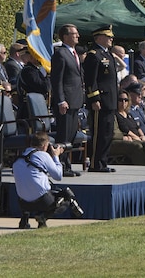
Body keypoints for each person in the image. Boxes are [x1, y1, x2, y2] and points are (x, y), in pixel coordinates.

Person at [12, 132, 84, 229]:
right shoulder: (43, 155)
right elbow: (58, 176)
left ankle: (24, 219)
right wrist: (56, 156)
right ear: (46, 145)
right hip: (42, 201)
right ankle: (43, 217)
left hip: (23, 203)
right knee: (66, 195)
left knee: (31, 187)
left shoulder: (19, 158)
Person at [82, 25, 121, 173]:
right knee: (100, 134)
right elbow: (91, 80)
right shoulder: (94, 55)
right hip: (101, 101)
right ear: (99, 37)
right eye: (108, 36)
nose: (111, 39)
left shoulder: (108, 54)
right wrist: (94, 99)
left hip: (110, 100)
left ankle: (102, 162)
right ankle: (95, 163)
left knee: (108, 134)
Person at [50, 24, 85, 176]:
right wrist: (60, 100)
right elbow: (57, 80)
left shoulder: (73, 53)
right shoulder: (60, 54)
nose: (77, 36)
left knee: (71, 135)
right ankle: (60, 166)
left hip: (75, 100)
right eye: (74, 33)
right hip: (66, 101)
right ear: (65, 36)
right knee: (63, 135)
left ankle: (67, 165)